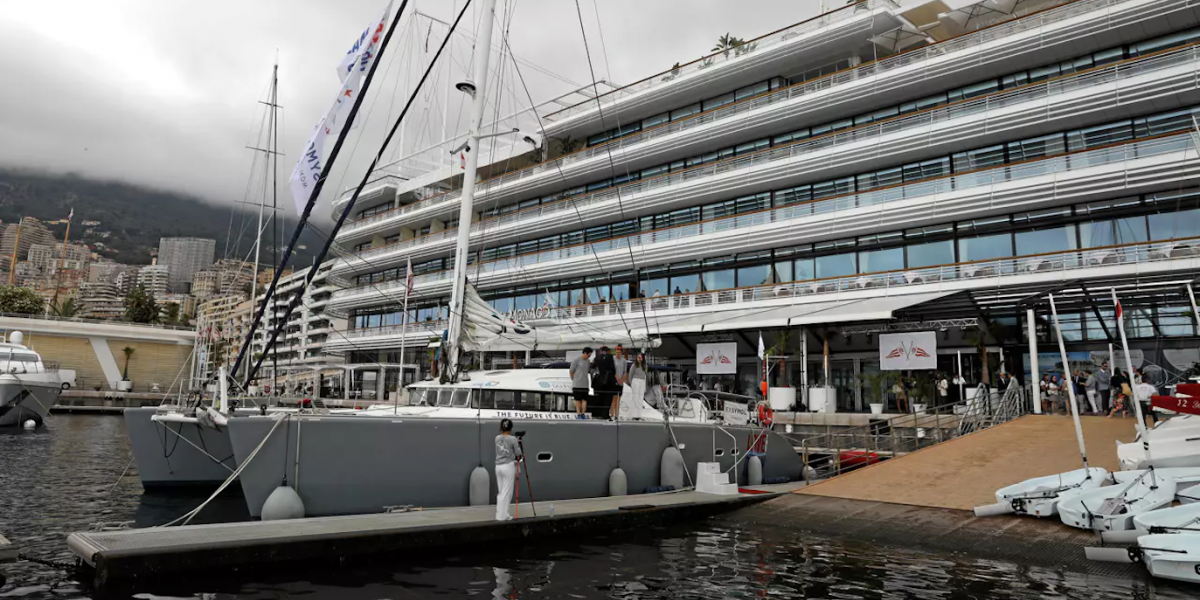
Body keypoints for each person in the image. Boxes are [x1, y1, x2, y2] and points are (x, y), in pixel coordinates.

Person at [494, 418, 524, 521]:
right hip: (508, 466)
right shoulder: (513, 439)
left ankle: (501, 514)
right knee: (507, 492)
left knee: (501, 491)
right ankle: (502, 516)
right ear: (511, 428)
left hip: (498, 466)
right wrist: (518, 442)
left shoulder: (497, 438)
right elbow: (518, 453)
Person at [570, 347, 593, 417]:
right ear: (585, 353)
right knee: (578, 400)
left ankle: (583, 413)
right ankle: (578, 413)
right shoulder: (576, 360)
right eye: (588, 355)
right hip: (577, 384)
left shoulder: (588, 361)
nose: (589, 356)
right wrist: (574, 379)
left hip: (585, 384)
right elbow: (571, 371)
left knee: (584, 400)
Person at [628, 353, 649, 420]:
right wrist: (631, 383)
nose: (639, 359)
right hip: (635, 380)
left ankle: (639, 414)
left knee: (640, 398)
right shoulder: (634, 365)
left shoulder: (644, 366)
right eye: (638, 357)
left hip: (642, 381)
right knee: (635, 398)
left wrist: (645, 386)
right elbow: (630, 375)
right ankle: (634, 414)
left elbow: (645, 375)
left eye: (640, 357)